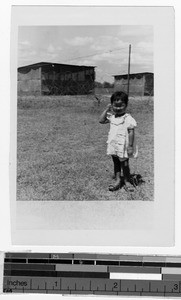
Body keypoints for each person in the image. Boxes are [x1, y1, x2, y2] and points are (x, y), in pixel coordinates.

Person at [99, 91, 138, 192]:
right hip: (113, 145)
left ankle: (127, 181)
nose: (118, 108)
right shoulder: (112, 117)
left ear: (126, 105)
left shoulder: (128, 118)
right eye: (115, 105)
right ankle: (117, 180)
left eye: (121, 105)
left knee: (124, 164)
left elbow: (131, 132)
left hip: (123, 146)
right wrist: (107, 109)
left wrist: (130, 146)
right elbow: (101, 120)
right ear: (112, 105)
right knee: (116, 163)